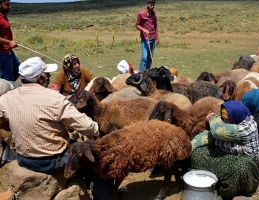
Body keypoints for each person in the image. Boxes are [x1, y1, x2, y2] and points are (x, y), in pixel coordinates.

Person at [0, 57, 114, 200]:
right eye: (47, 74)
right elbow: (85, 126)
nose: (49, 77)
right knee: (100, 160)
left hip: (24, 158)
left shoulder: (6, 99)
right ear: (41, 78)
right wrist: (98, 129)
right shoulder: (54, 99)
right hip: (54, 160)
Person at [190, 100, 259, 199]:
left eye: (227, 119)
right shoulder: (231, 119)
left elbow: (218, 131)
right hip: (226, 153)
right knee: (198, 154)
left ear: (235, 115)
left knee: (240, 169)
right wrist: (190, 147)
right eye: (223, 118)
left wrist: (213, 117)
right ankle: (212, 183)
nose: (225, 122)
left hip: (246, 159)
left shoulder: (248, 127)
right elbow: (212, 133)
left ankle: (226, 194)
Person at [136, 0, 160, 71]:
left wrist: (157, 37)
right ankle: (140, 73)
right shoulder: (141, 14)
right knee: (144, 57)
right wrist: (143, 30)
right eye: (151, 5)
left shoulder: (154, 14)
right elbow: (137, 25)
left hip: (152, 38)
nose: (152, 6)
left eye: (153, 5)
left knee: (150, 58)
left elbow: (155, 26)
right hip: (145, 39)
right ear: (147, 4)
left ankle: (147, 72)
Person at [0, 0, 20, 82]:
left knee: (18, 69)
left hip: (8, 51)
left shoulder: (3, 15)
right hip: (2, 52)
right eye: (6, 5)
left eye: (9, 4)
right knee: (7, 79)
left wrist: (11, 42)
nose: (9, 7)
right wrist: (9, 42)